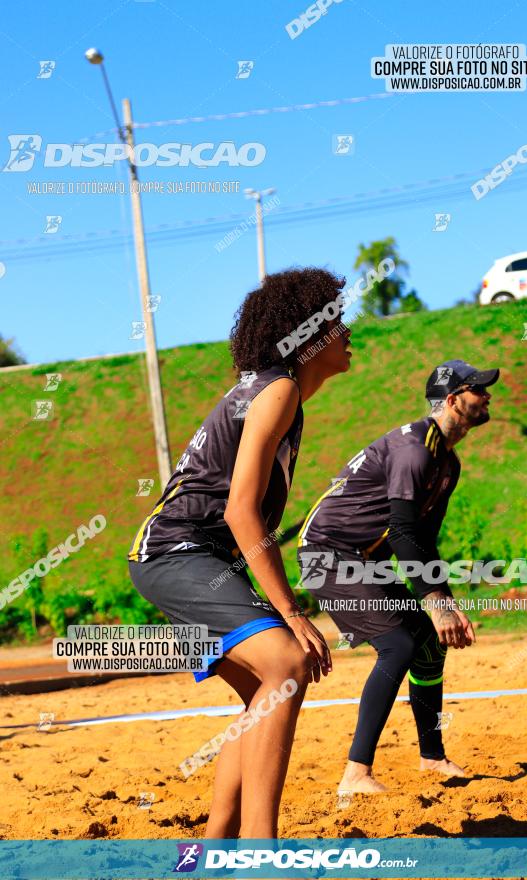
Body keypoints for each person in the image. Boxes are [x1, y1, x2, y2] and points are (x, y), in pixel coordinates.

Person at [128, 268, 352, 838]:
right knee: (287, 662)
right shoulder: (277, 390)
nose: (347, 328)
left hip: (183, 555)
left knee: (263, 692)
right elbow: (240, 513)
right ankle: (259, 853)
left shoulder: (274, 389)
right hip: (176, 551)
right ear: (309, 334)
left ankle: (213, 848)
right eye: (335, 318)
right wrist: (293, 613)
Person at [297, 359, 499, 793]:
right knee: (399, 644)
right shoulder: (414, 451)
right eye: (477, 389)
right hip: (325, 555)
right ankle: (355, 775)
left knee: (427, 642)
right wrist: (436, 603)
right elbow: (404, 530)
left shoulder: (448, 463)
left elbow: (422, 539)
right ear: (451, 401)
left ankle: (432, 757)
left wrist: (445, 602)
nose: (487, 395)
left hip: (360, 559)